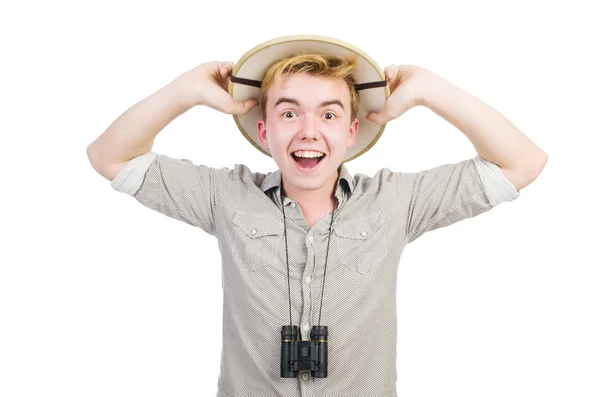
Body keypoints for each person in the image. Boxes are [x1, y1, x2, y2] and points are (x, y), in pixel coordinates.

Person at [86, 35, 547, 397]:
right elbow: (110, 157)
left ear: (351, 132)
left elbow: (522, 163)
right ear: (264, 131)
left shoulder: (394, 201)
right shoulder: (225, 195)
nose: (309, 131)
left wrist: (429, 89)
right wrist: (184, 91)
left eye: (328, 115)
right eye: (290, 113)